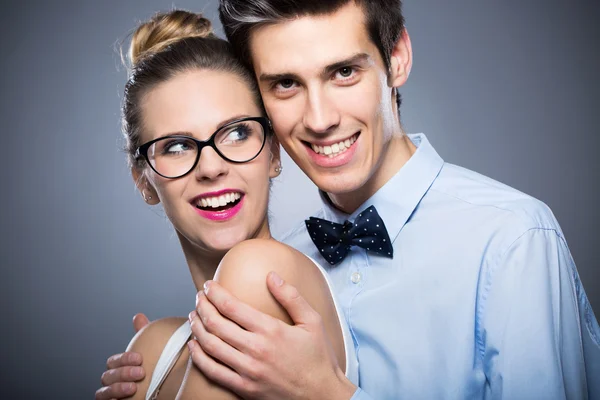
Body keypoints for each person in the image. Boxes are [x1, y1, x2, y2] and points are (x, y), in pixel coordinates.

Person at [99, 1, 600, 399]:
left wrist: (326, 395)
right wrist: (170, 352)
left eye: (343, 72)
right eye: (287, 83)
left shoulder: (511, 239)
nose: (319, 119)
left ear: (396, 57)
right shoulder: (284, 261)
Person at [95, 9, 360, 400]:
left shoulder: (261, 272)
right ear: (143, 180)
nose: (212, 167)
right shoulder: (154, 347)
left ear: (273, 153)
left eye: (236, 133)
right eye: (177, 146)